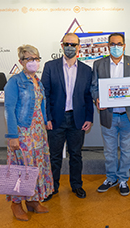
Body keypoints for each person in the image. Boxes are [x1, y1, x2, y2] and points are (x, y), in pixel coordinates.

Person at [90, 33, 130, 196]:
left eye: (119, 44)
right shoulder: (99, 64)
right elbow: (94, 87)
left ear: (124, 45)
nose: (116, 47)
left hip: (129, 116)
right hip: (109, 115)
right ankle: (110, 178)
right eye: (113, 44)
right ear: (108, 46)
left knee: (128, 151)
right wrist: (97, 99)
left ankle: (123, 180)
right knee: (109, 151)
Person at [41, 33, 94, 201]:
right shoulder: (50, 66)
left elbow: (88, 96)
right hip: (56, 119)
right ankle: (52, 187)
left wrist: (89, 118)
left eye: (73, 44)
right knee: (54, 156)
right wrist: (46, 117)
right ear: (62, 45)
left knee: (76, 155)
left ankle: (77, 185)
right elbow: (45, 95)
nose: (70, 47)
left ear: (79, 47)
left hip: (77, 119)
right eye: (67, 44)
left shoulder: (87, 70)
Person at [4, 44, 53, 221]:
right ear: (21, 61)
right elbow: (9, 109)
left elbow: (41, 104)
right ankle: (16, 204)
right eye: (28, 59)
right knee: (21, 168)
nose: (33, 62)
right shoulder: (14, 82)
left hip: (39, 132)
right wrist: (12, 136)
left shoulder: (38, 81)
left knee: (37, 167)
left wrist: (46, 120)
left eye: (36, 58)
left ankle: (32, 200)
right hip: (22, 132)